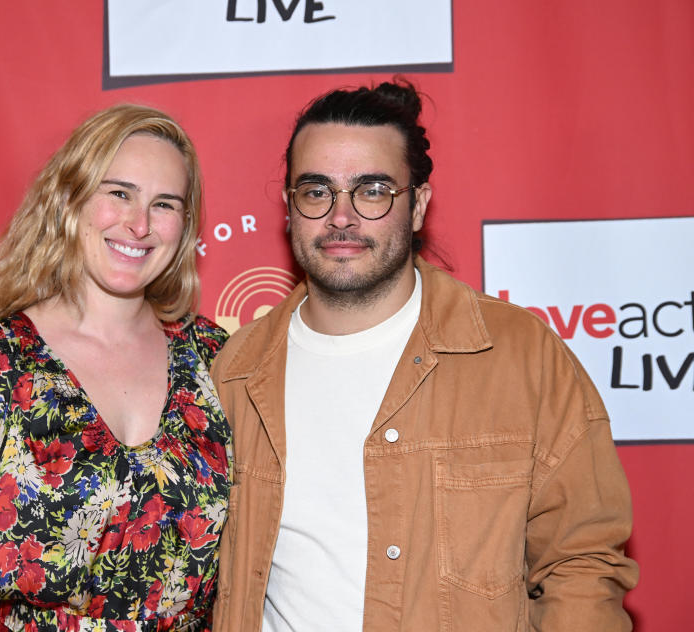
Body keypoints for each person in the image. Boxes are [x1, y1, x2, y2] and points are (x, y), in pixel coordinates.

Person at [209, 80, 639, 631]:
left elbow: (581, 564)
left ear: (418, 207)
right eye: (317, 191)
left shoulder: (521, 357)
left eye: (373, 191)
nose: (341, 217)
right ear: (289, 208)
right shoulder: (235, 372)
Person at [0, 104, 232, 632]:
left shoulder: (215, 359)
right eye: (119, 193)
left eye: (164, 204)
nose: (139, 224)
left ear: (184, 226)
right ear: (70, 198)